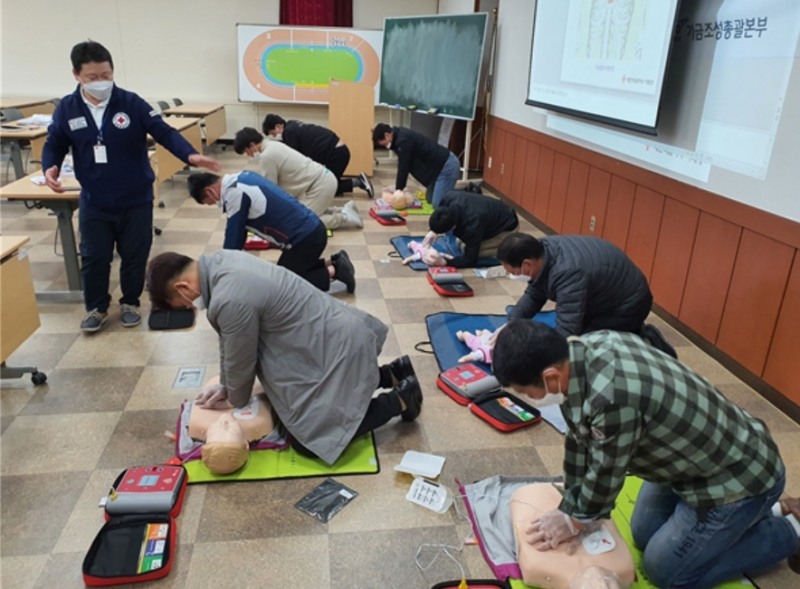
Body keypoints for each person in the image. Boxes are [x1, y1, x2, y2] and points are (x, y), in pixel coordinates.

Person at [492, 319, 800, 588]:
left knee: (666, 572)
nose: (527, 399)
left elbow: (605, 472)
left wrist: (573, 520)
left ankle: (789, 530)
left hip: (738, 478)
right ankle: (751, 518)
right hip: (689, 460)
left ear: (549, 378)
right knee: (643, 534)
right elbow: (578, 440)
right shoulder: (579, 350)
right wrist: (571, 506)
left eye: (524, 392)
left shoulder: (611, 397)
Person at [145, 250, 423, 465]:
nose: (189, 307)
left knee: (311, 439)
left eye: (182, 303)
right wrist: (226, 385)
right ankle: (392, 373)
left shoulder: (228, 298)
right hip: (332, 334)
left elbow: (241, 357)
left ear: (183, 287)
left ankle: (399, 399)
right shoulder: (219, 262)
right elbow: (230, 342)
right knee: (301, 403)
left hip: (335, 344)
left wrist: (235, 396)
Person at [41, 40, 220, 333]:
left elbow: (163, 132)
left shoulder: (131, 102)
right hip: (95, 200)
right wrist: (51, 165)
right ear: (76, 75)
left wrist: (189, 154)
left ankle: (130, 303)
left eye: (106, 75)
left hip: (135, 198)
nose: (101, 82)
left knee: (135, 256)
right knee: (94, 257)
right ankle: (96, 308)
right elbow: (55, 143)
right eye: (92, 77)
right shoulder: (68, 109)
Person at [497, 232, 675, 357]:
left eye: (512, 271)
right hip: (604, 294)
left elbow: (567, 330)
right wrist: (512, 323)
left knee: (586, 348)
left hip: (628, 303)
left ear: (527, 265)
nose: (512, 275)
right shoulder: (541, 250)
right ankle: (632, 330)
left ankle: (646, 339)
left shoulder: (567, 272)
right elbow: (535, 293)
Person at [187, 171, 356, 293]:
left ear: (210, 191)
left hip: (305, 238)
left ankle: (336, 271)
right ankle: (333, 260)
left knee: (284, 284)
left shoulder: (234, 193)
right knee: (289, 268)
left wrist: (221, 269)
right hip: (311, 231)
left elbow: (234, 235)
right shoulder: (242, 177)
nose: (213, 205)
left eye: (208, 202)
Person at [233, 127, 362, 230]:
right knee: (300, 211)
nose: (248, 155)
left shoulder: (266, 157)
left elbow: (270, 191)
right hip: (321, 180)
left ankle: (345, 217)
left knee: (301, 223)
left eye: (246, 151)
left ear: (252, 145)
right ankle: (341, 209)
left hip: (320, 185)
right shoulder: (272, 145)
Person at [262, 114, 373, 198]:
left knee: (327, 186)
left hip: (336, 154)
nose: (275, 136)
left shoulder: (289, 132)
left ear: (278, 126)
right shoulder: (292, 125)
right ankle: (354, 183)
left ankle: (359, 182)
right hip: (338, 152)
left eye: (273, 133)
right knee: (327, 184)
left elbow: (293, 157)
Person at [421, 190, 519, 268]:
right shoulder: (448, 197)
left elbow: (470, 260)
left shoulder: (472, 225)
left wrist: (445, 262)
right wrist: (432, 231)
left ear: (453, 227)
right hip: (489, 214)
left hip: (507, 226)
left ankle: (509, 246)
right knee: (461, 243)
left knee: (466, 249)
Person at [372, 123, 460, 207]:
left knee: (438, 204)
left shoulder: (403, 140)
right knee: (430, 199)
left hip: (447, 167)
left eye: (383, 143)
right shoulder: (398, 138)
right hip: (437, 170)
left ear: (387, 135)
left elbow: (403, 167)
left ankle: (464, 199)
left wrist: (398, 191)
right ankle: (449, 190)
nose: (384, 146)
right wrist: (397, 189)